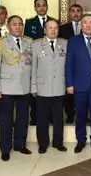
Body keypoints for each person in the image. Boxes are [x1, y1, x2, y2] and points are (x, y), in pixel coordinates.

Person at [0, 15, 33, 161]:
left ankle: (20, 144)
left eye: (20, 24)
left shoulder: (29, 41)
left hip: (24, 87)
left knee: (23, 118)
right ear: (8, 26)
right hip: (6, 87)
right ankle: (5, 148)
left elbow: (31, 65)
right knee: (5, 120)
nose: (18, 27)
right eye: (14, 24)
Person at [65, 14, 91, 153]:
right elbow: (69, 64)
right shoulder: (73, 41)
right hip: (79, 84)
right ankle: (80, 140)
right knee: (80, 115)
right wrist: (69, 84)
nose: (88, 25)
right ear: (81, 25)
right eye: (85, 23)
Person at [32, 19, 68, 154]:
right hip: (42, 87)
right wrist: (33, 87)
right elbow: (33, 68)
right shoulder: (36, 45)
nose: (53, 30)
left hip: (59, 85)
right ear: (44, 30)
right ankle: (43, 143)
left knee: (59, 117)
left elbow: (67, 66)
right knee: (42, 118)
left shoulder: (65, 43)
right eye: (50, 28)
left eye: (56, 28)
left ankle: (58, 142)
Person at [24, 0, 58, 126]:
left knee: (51, 88)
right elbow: (27, 40)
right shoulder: (29, 22)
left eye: (44, 5)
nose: (41, 8)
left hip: (51, 59)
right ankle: (35, 117)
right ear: (35, 8)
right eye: (38, 5)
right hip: (36, 59)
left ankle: (50, 116)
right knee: (36, 89)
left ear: (47, 6)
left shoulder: (54, 21)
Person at [59, 3, 83, 124]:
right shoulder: (62, 28)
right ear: (69, 13)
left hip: (83, 65)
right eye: (73, 11)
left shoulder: (87, 26)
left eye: (78, 11)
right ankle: (69, 115)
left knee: (82, 92)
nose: (75, 13)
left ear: (81, 13)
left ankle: (82, 115)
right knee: (68, 92)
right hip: (67, 63)